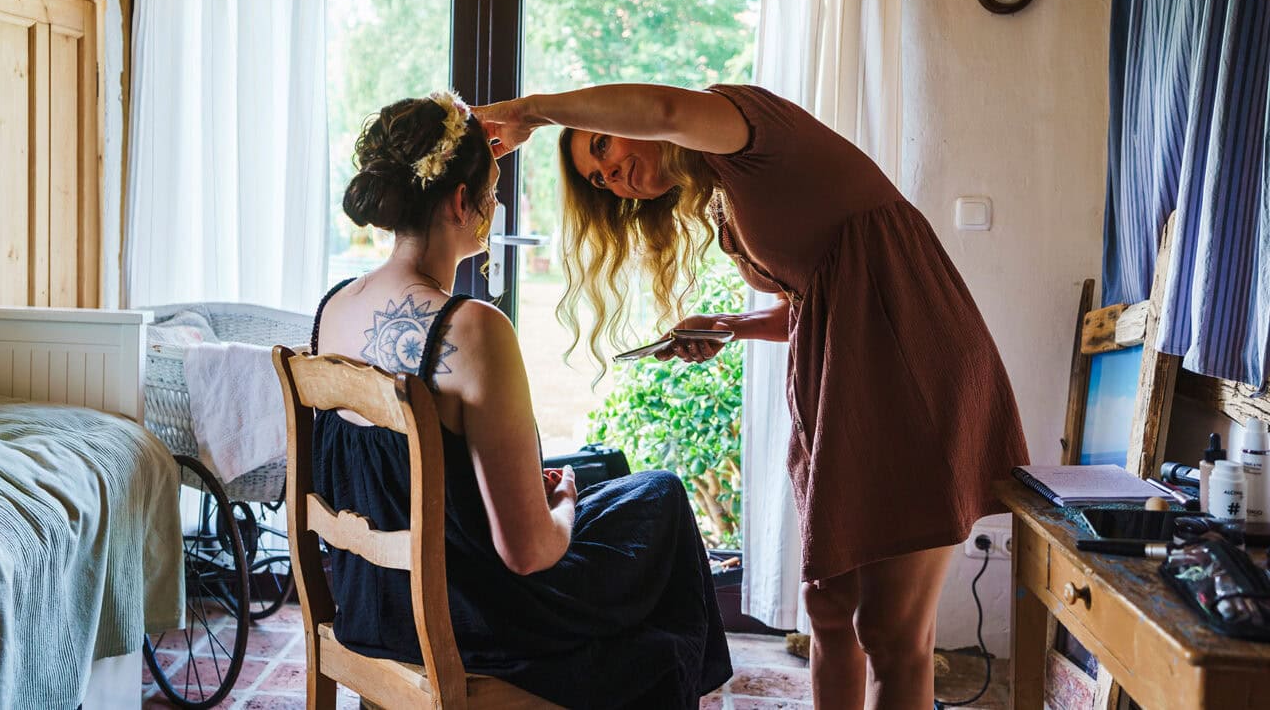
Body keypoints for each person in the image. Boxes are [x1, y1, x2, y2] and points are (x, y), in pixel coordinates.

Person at [474, 83, 1030, 709]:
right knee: (826, 608)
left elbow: (668, 112)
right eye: (600, 180)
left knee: (890, 629)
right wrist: (731, 327)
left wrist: (530, 112)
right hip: (847, 383)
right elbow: (820, 301)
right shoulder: (721, 196)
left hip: (915, 372)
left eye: (603, 145)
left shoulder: (747, 128)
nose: (611, 173)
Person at [309, 90, 733, 710]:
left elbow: (405, 475)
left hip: (372, 608)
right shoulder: (472, 330)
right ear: (461, 201)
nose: (497, 202)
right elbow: (528, 552)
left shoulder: (333, 308)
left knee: (609, 471)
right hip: (472, 622)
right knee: (662, 497)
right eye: (493, 188)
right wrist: (558, 502)